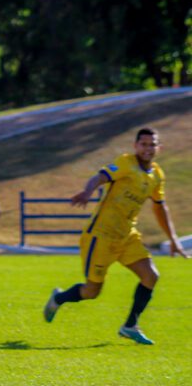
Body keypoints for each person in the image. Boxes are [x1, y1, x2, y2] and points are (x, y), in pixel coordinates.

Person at [44, 128, 188, 344]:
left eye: (152, 145)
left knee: (151, 276)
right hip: (100, 235)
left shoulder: (157, 175)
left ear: (159, 148)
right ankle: (59, 298)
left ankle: (130, 325)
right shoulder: (125, 163)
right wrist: (88, 191)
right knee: (92, 291)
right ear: (135, 146)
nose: (148, 148)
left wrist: (174, 240)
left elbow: (160, 208)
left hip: (127, 236)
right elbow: (99, 177)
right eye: (144, 144)